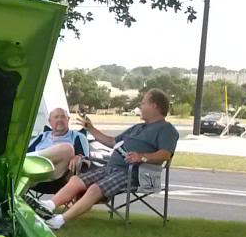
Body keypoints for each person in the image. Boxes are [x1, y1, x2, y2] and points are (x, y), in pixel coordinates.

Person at [42, 89, 178, 229]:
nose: (140, 107)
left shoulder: (166, 129)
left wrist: (141, 157)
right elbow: (112, 142)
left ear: (154, 106)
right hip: (111, 168)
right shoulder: (138, 127)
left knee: (95, 189)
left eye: (143, 103)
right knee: (76, 180)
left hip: (133, 173)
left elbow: (165, 155)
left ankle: (59, 220)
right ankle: (48, 206)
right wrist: (91, 129)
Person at [27, 107, 90, 182]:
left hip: (58, 177)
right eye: (56, 117)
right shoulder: (42, 136)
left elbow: (86, 160)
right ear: (50, 121)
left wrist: (79, 157)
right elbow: (28, 152)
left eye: (63, 117)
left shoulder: (77, 136)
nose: (59, 119)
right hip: (32, 173)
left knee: (67, 149)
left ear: (68, 119)